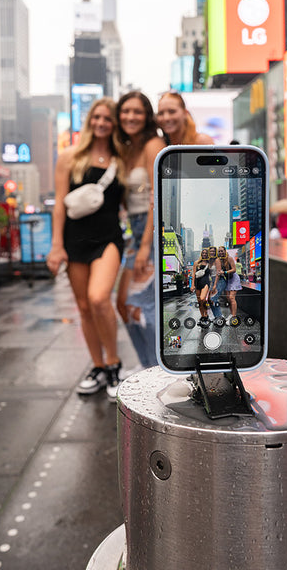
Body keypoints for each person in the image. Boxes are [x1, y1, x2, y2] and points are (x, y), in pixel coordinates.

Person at [46, 98, 125, 401]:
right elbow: (59, 207)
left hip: (108, 238)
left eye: (108, 118)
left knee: (99, 298)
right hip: (74, 238)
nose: (102, 123)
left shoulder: (122, 158)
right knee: (83, 306)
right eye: (97, 117)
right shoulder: (69, 157)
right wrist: (56, 247)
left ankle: (115, 364)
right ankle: (98, 366)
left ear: (114, 124)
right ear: (90, 120)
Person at [115, 91, 165, 371]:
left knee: (144, 306)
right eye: (125, 111)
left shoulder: (152, 144)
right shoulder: (127, 148)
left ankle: (156, 369)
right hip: (134, 232)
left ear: (146, 116)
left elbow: (157, 196)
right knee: (124, 304)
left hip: (150, 230)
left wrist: (147, 244)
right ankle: (148, 365)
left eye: (137, 111)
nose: (130, 117)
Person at [215, 246, 243, 325]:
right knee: (228, 298)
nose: (220, 252)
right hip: (227, 280)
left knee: (231, 297)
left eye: (222, 251)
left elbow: (234, 270)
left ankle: (234, 317)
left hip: (233, 279)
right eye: (219, 251)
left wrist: (225, 272)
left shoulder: (229, 258)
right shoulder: (219, 261)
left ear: (225, 251)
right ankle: (232, 314)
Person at [191, 248, 211, 326]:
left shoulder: (210, 263)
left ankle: (206, 314)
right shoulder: (196, 263)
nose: (204, 254)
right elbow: (193, 274)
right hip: (197, 283)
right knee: (199, 301)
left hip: (206, 282)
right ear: (201, 254)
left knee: (203, 299)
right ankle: (202, 316)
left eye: (206, 253)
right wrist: (192, 285)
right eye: (203, 253)